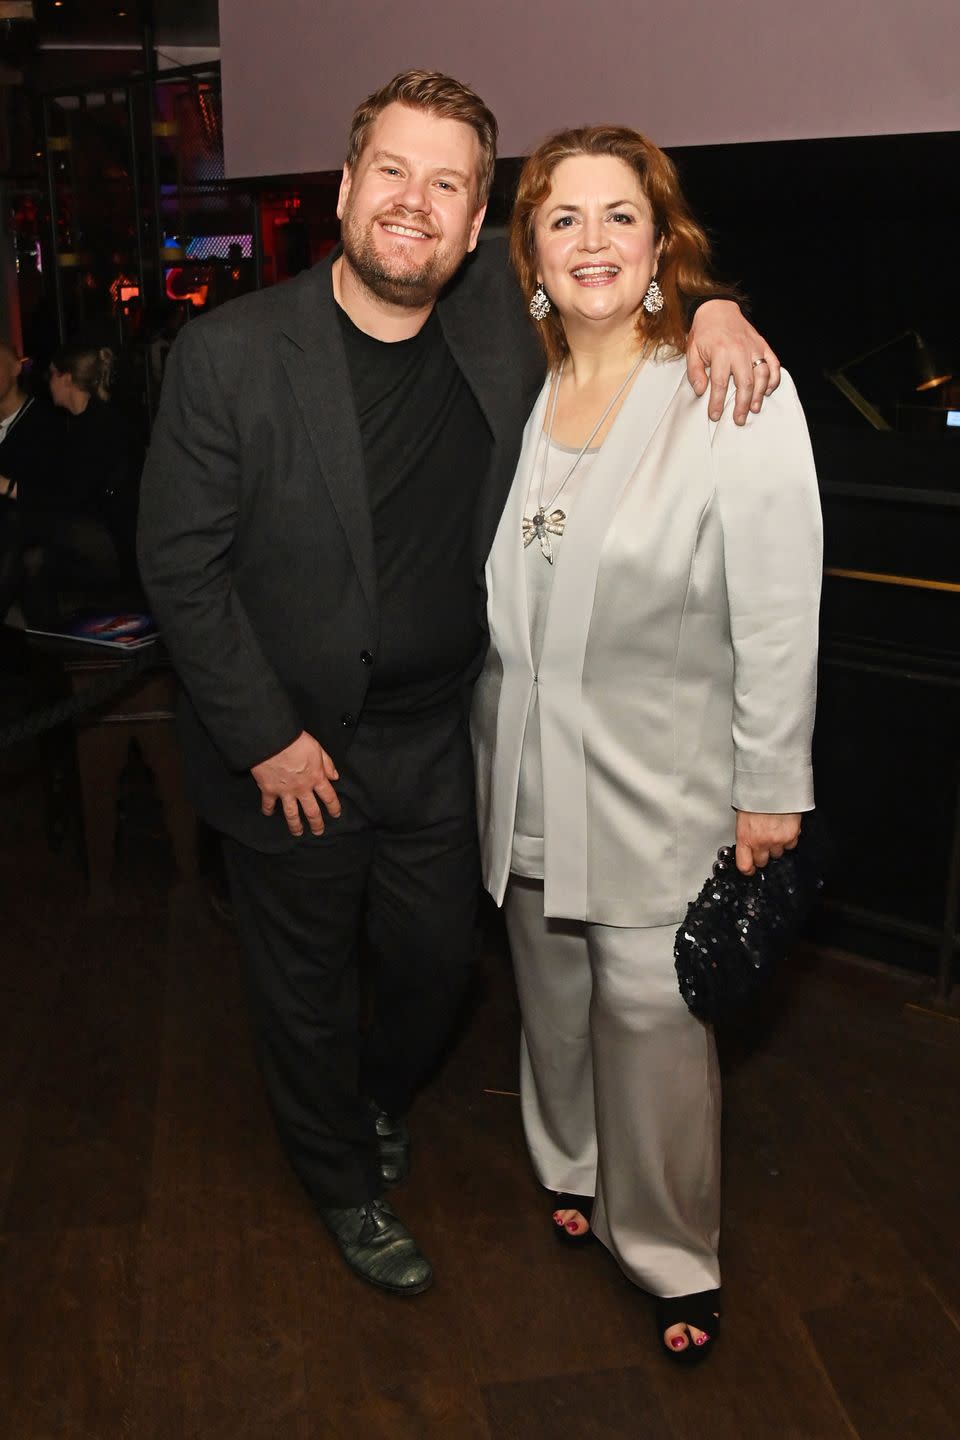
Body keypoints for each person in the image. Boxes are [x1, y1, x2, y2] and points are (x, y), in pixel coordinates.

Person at [137, 70, 782, 1299]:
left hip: (444, 742)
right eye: (393, 171)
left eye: (449, 184)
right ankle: (339, 1179)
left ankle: (379, 1102)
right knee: (306, 985)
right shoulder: (229, 355)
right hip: (289, 752)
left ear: (480, 219)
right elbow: (179, 562)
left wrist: (716, 313)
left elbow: (623, 274)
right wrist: (265, 733)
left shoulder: (497, 310)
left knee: (437, 967)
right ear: (343, 187)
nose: (415, 203)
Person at [471, 124, 821, 1358]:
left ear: (663, 241)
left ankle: (671, 1249)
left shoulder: (728, 391)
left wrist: (772, 785)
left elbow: (781, 605)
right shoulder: (527, 387)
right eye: (563, 219)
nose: (593, 241)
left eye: (621, 215)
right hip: (521, 769)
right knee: (551, 992)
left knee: (651, 1013)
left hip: (658, 784)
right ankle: (567, 1164)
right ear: (532, 257)